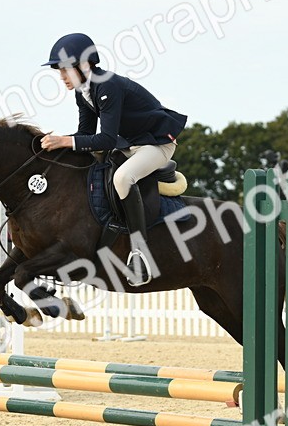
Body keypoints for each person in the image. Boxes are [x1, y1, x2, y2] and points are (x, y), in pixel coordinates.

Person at [40, 32, 187, 285]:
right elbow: (85, 134)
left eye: (65, 70)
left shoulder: (107, 85)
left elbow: (106, 139)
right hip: (130, 145)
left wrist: (64, 141)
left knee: (122, 177)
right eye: (59, 71)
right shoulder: (82, 92)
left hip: (157, 144)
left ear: (84, 65)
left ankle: (140, 253)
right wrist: (52, 145)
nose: (62, 77)